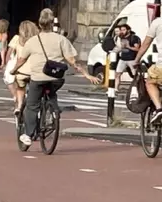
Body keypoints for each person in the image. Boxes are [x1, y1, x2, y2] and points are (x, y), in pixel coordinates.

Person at [11, 9, 99, 146]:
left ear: (39, 24)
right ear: (52, 24)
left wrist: (13, 70)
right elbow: (73, 62)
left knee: (32, 105)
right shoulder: (61, 40)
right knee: (51, 92)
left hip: (38, 78)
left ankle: (28, 134)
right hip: (56, 79)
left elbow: (21, 60)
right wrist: (87, 74)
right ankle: (53, 110)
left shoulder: (33, 41)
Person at [4, 20, 40, 115]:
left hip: (21, 70)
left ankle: (19, 106)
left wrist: (8, 66)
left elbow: (9, 53)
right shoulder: (38, 39)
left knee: (20, 87)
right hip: (35, 71)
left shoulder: (16, 38)